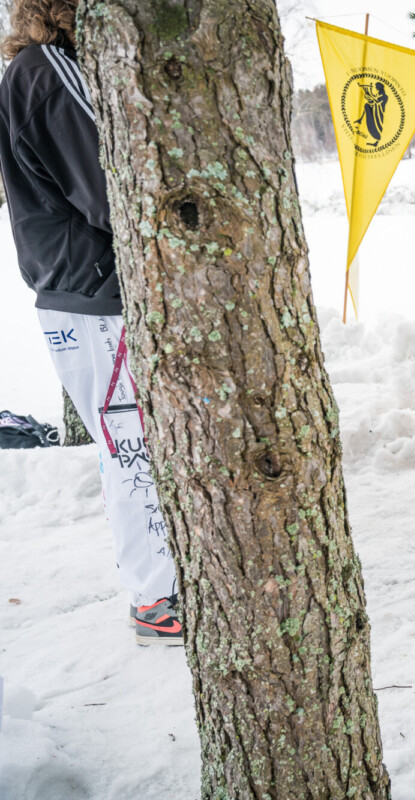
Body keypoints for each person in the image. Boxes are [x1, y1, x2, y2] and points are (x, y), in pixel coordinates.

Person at [0, 0, 181, 644]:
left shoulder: (32, 70)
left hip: (77, 294)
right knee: (132, 448)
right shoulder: (48, 69)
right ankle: (156, 597)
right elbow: (115, 186)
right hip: (93, 295)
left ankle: (160, 586)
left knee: (127, 445)